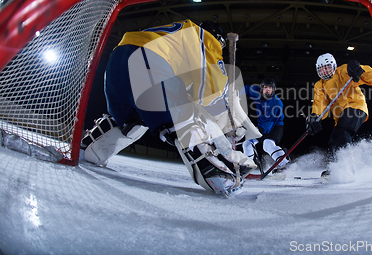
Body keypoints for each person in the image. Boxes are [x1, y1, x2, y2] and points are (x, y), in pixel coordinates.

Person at [82, 19, 258, 196]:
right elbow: (213, 90)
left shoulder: (180, 39)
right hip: (147, 61)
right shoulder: (205, 38)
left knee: (130, 121)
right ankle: (222, 177)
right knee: (185, 121)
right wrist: (227, 123)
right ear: (218, 38)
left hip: (118, 61)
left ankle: (89, 151)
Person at [306, 53, 372, 176]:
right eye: (321, 68)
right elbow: (319, 104)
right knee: (334, 140)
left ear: (333, 66)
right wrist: (314, 117)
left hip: (356, 107)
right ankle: (338, 168)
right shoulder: (319, 85)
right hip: (340, 117)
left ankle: (346, 167)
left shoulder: (343, 71)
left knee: (341, 133)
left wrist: (358, 69)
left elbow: (370, 77)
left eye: (327, 67)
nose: (324, 71)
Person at [241, 78, 289, 172]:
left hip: (275, 126)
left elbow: (270, 121)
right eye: (265, 87)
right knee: (247, 143)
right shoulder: (256, 92)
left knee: (267, 144)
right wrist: (237, 95)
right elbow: (246, 88)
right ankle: (248, 166)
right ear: (262, 88)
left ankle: (284, 163)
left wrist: (259, 130)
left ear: (273, 90)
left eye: (270, 88)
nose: (267, 89)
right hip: (261, 125)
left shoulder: (276, 103)